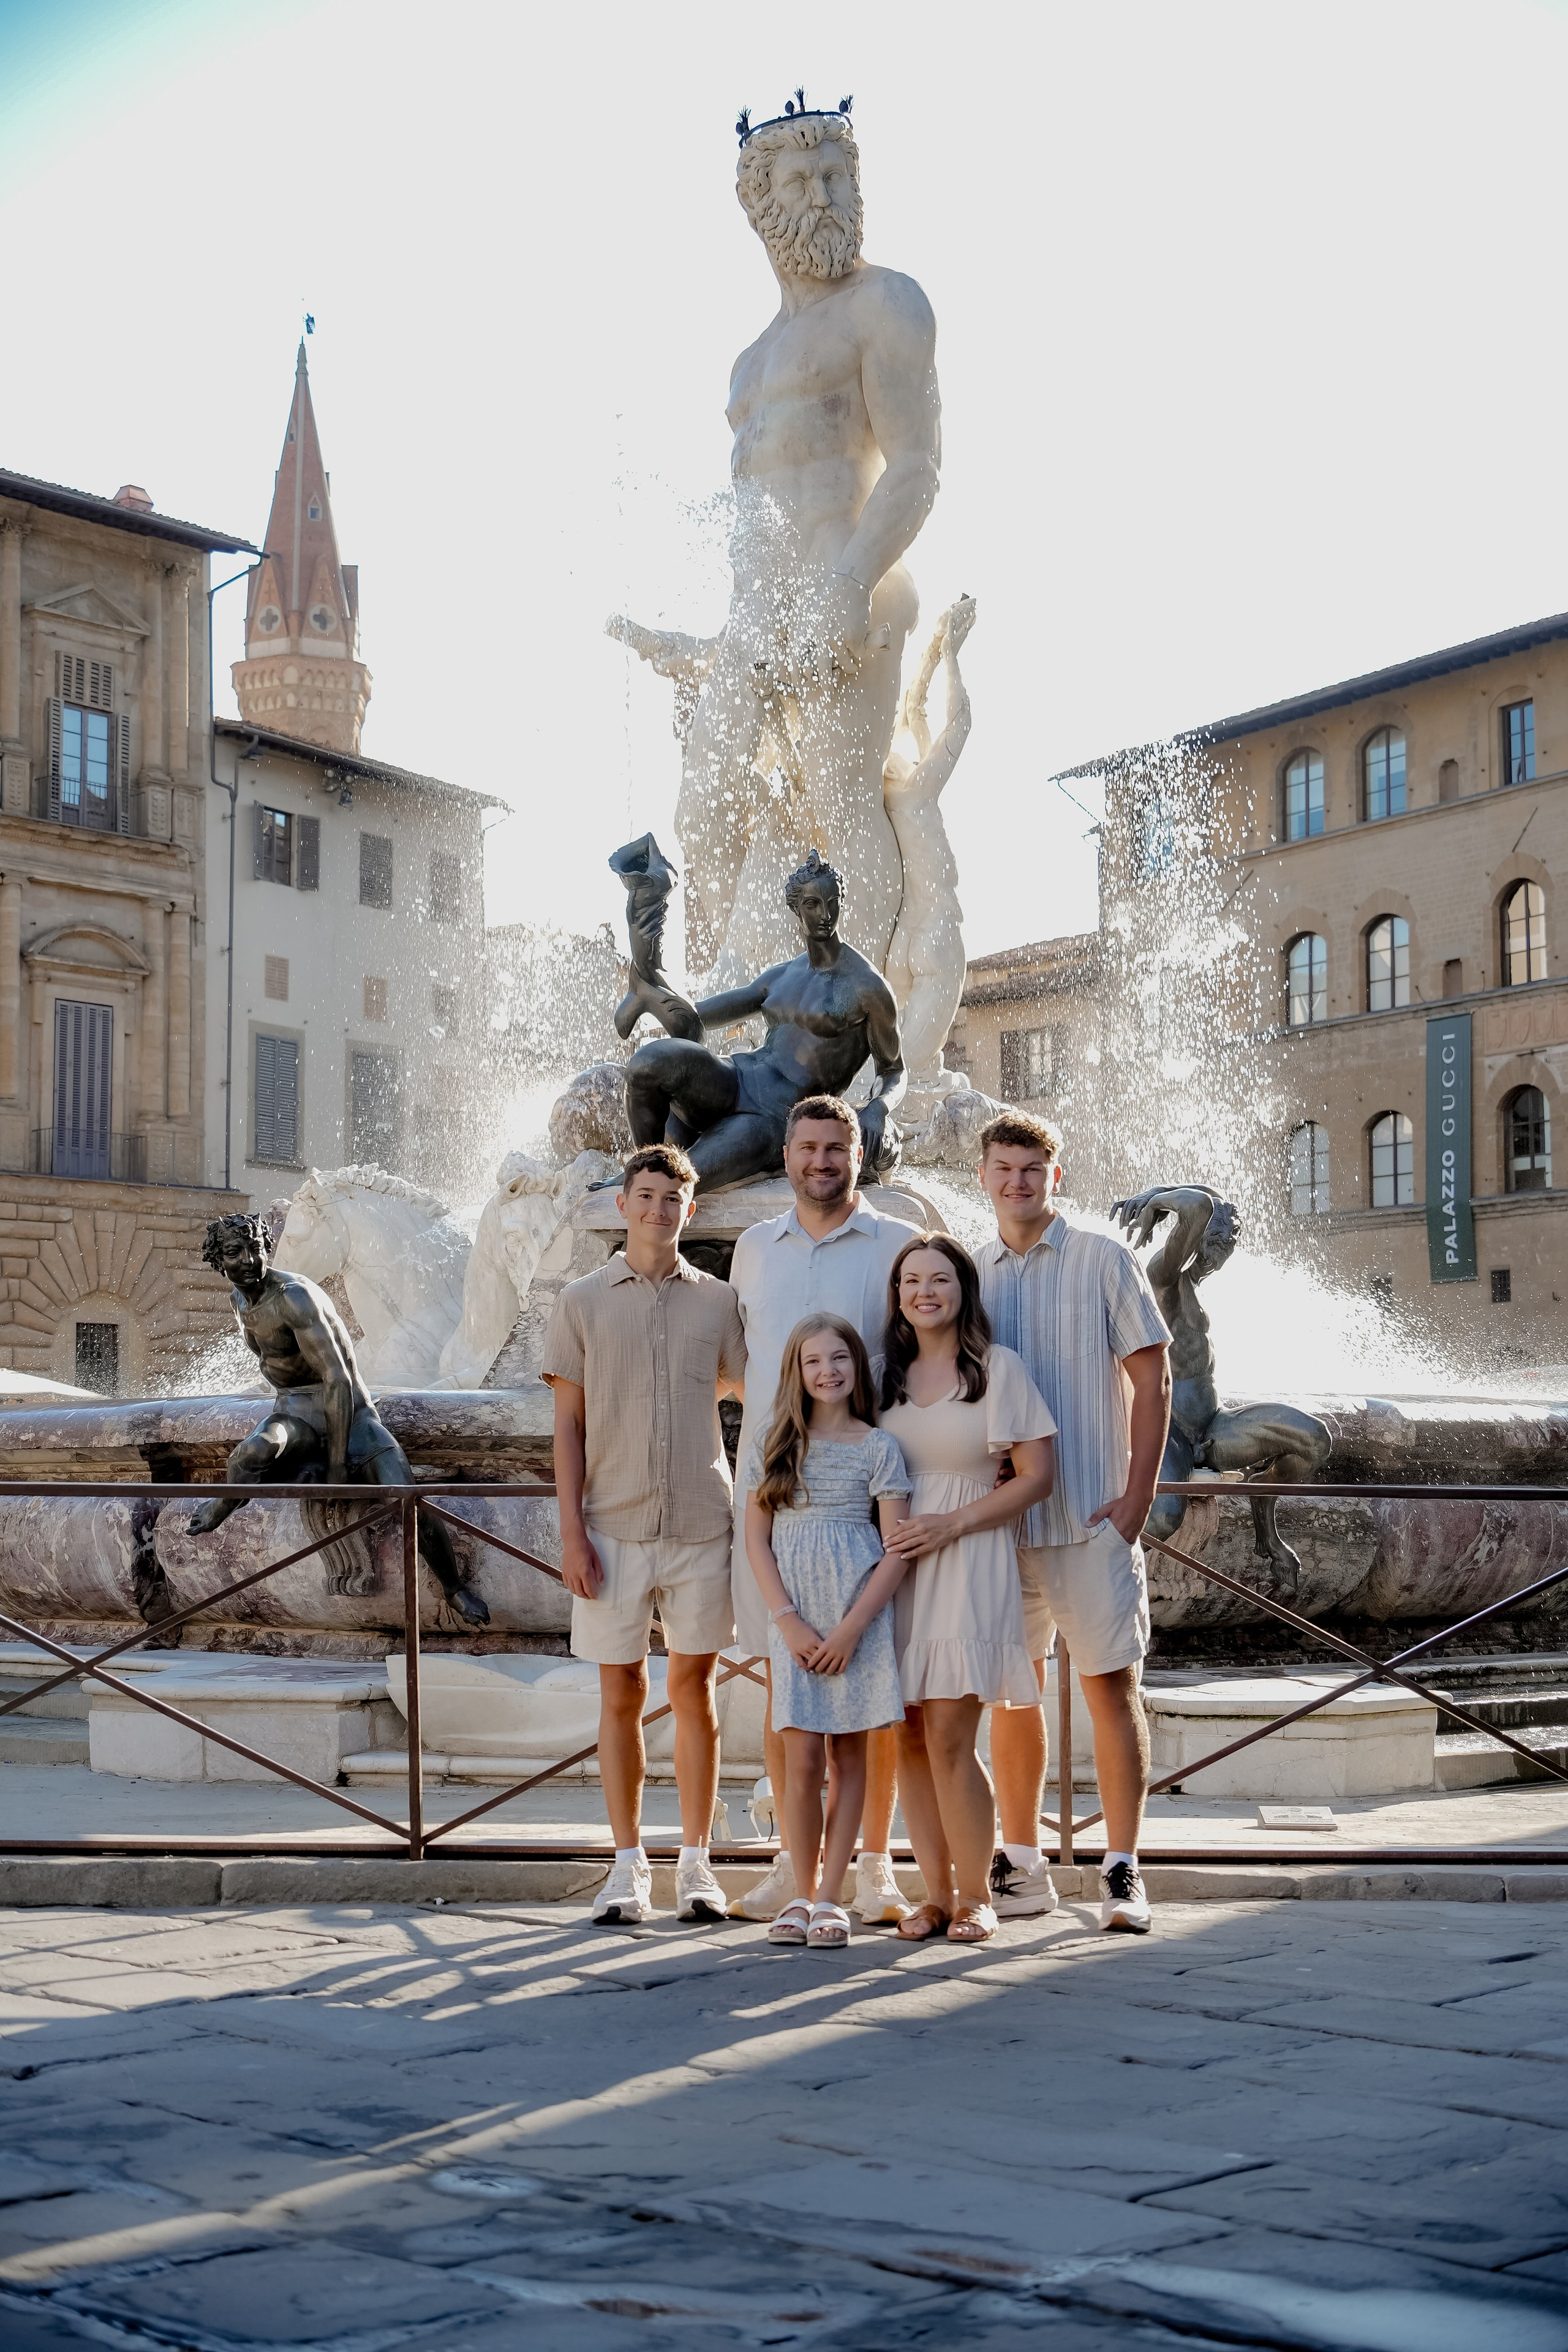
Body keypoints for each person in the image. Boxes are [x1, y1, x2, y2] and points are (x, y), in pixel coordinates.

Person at [974, 1114, 1173, 1937]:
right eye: (1004, 1169)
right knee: (1013, 1699)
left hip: (1092, 1515)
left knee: (1111, 1690)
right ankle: (1020, 1864)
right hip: (1005, 1530)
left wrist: (1135, 1502)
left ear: (1057, 1175)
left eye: (1032, 1169)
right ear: (983, 1176)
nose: (1018, 1182)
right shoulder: (970, 1274)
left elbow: (1154, 1381)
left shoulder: (1103, 1259)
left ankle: (1123, 1868)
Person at [727, 1094, 921, 1925]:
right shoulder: (751, 1249)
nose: (821, 1162)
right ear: (786, 1153)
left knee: (867, 1691)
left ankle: (873, 1864)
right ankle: (794, 1869)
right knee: (785, 1683)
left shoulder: (897, 1244)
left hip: (860, 1504)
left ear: (857, 1153)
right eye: (807, 1148)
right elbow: (741, 1366)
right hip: (773, 1493)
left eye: (836, 1148)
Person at [542, 1143, 747, 1928]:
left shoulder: (720, 1303)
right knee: (620, 1693)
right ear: (623, 1204)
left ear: (689, 1212)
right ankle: (626, 1865)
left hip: (702, 1521)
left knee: (696, 1692)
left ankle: (697, 1862)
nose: (660, 1209)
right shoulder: (582, 1303)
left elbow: (739, 1387)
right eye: (648, 1195)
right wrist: (570, 1533)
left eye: (674, 1199)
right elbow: (566, 1427)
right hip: (612, 1524)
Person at [880, 1236, 1056, 1943]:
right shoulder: (878, 1376)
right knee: (909, 1735)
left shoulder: (996, 1370)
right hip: (895, 1567)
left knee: (952, 1732)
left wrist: (950, 1525)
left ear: (963, 1290)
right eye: (912, 1280)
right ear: (897, 1295)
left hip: (969, 1556)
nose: (926, 1292)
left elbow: (1037, 1476)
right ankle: (933, 1894)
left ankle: (978, 1896)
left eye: (940, 1279)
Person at [189, 1213, 488, 1627]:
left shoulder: (293, 1297)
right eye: (235, 1253)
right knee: (247, 1456)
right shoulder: (239, 1300)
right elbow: (278, 1373)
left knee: (407, 1496)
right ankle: (224, 1503)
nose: (250, 1259)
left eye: (256, 1247)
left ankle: (454, 1587)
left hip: (351, 1413)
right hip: (294, 1412)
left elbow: (336, 1378)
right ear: (218, 1261)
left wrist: (335, 1465)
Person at [744, 1315, 913, 1947]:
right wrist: (787, 1621)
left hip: (855, 1616)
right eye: (813, 1361)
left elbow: (896, 1548)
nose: (828, 1371)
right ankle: (797, 1889)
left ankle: (828, 1897)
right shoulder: (776, 1441)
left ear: (856, 1367)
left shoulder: (878, 1447)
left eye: (839, 1358)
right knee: (802, 1756)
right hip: (796, 1621)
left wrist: (852, 1629)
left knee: (848, 1755)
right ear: (797, 1372)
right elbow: (756, 1541)